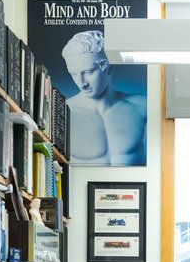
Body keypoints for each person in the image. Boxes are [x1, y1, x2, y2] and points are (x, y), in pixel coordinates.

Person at [61, 31, 146, 165]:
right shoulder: (63, 113)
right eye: (74, 74)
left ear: (109, 68)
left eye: (88, 72)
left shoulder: (141, 106)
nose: (82, 82)